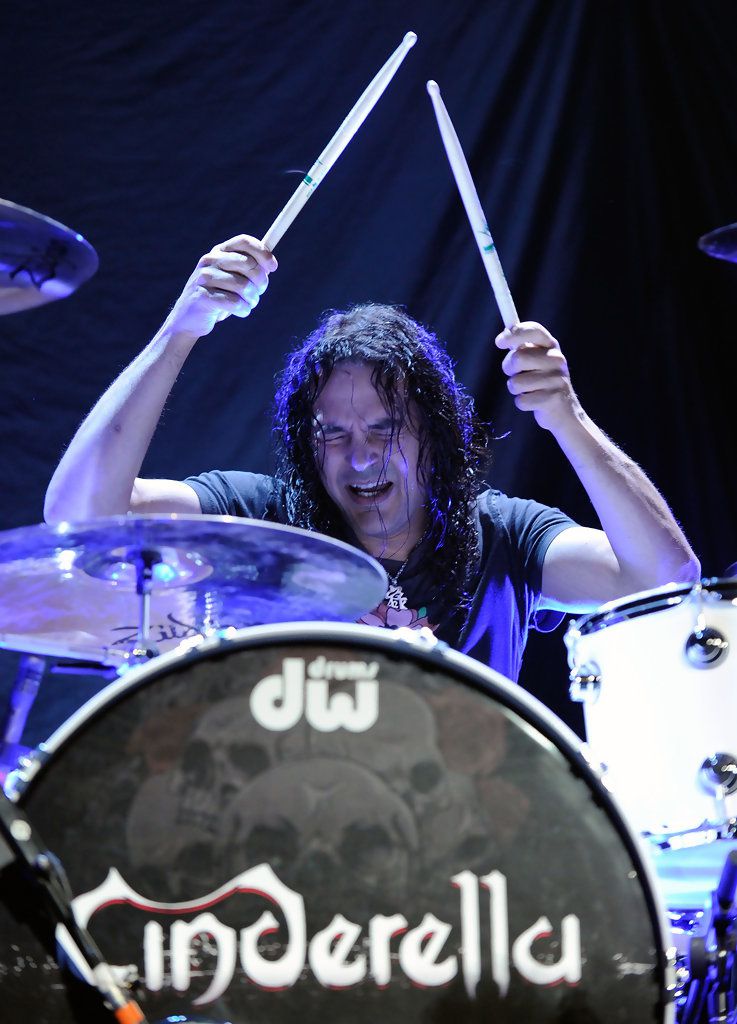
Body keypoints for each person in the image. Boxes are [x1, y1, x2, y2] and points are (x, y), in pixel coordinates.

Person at [44, 234, 700, 681]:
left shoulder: (503, 535)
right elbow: (82, 516)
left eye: (384, 430)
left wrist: (568, 418)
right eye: (332, 434)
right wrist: (180, 329)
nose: (359, 459)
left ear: (432, 434)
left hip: (472, 851)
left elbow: (665, 580)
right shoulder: (263, 519)